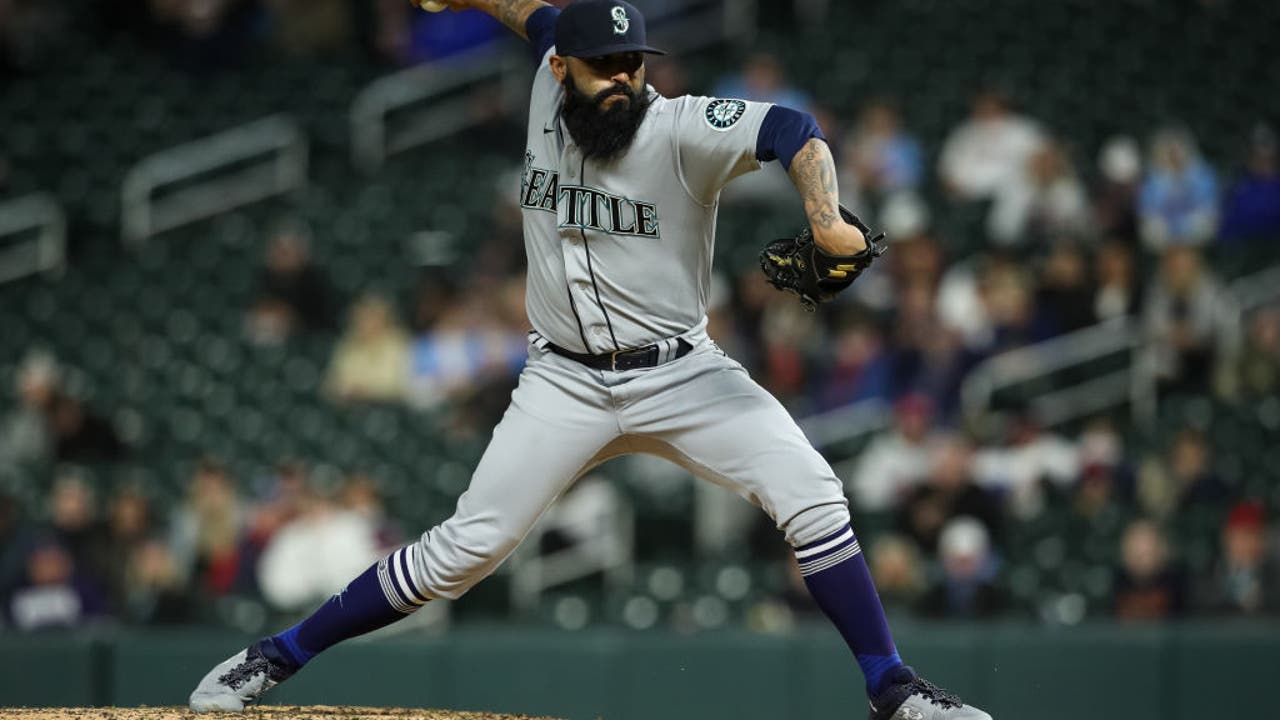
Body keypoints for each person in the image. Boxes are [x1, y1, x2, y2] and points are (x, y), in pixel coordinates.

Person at [188, 2, 990, 719]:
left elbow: (792, 131)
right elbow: (533, 15)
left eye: (634, 62)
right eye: (605, 64)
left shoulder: (678, 128)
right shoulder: (547, 72)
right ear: (562, 67)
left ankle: (892, 685)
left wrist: (824, 218)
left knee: (812, 494)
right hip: (563, 379)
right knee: (464, 550)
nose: (624, 78)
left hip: (681, 374)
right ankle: (277, 656)